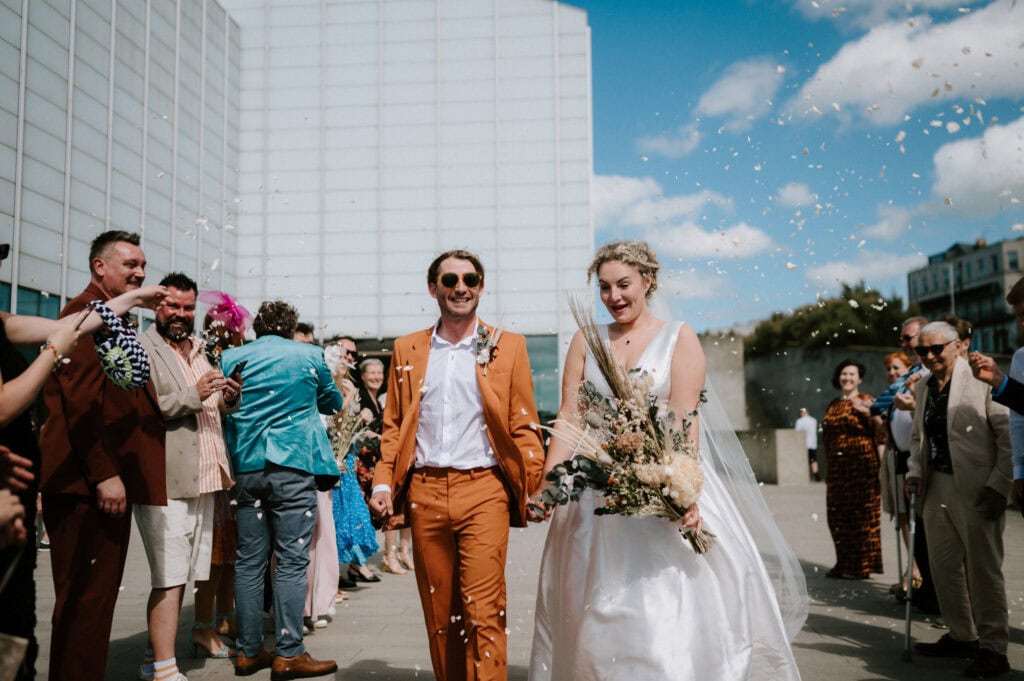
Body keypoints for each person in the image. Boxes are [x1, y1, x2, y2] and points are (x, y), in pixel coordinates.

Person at [528, 241, 804, 680]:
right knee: (597, 608)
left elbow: (683, 417)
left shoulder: (680, 336)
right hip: (597, 493)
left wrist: (681, 491)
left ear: (648, 281)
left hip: (662, 479)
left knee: (665, 603)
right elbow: (571, 417)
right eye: (604, 287)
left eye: (624, 285)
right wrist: (548, 484)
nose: (614, 297)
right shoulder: (586, 340)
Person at [369, 249, 545, 681]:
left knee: (484, 611)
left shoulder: (507, 346)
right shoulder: (407, 348)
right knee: (441, 614)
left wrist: (535, 485)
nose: (461, 288)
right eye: (450, 280)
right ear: (434, 289)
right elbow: (393, 428)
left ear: (481, 287)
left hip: (484, 490)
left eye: (470, 279)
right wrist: (382, 484)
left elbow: (525, 426)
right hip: (426, 493)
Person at [38, 230, 168, 681]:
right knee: (84, 603)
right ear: (100, 267)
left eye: (142, 266)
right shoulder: (84, 314)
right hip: (82, 483)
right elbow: (77, 402)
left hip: (96, 480)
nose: (140, 273)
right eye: (130, 265)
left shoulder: (108, 316)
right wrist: (104, 473)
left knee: (94, 600)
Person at [221, 300, 342, 679]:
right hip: (291, 464)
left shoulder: (231, 357)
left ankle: (248, 651)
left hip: (248, 466)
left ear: (259, 326)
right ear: (291, 327)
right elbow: (333, 402)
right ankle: (289, 651)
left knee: (249, 561)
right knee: (291, 559)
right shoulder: (309, 355)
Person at [135, 273, 241, 681]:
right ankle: (164, 670)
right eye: (172, 306)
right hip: (168, 478)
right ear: (156, 306)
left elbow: (210, 404)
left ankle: (152, 656)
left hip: (207, 477)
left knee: (187, 573)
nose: (180, 315)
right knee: (169, 576)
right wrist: (195, 393)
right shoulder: (144, 347)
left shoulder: (199, 348)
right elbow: (147, 409)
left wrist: (229, 397)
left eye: (187, 308)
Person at [906, 321, 1012, 678]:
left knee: (984, 571)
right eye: (923, 350)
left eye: (937, 348)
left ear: (958, 345)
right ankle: (963, 634)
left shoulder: (981, 377)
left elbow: (1008, 435)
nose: (930, 356)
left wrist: (1000, 484)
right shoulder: (922, 386)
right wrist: (914, 472)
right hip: (935, 485)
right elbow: (919, 438)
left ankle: (994, 647)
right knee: (944, 567)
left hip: (978, 487)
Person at [194, 292, 252, 647]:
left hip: (229, 463)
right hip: (220, 463)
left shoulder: (221, 360)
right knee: (216, 555)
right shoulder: (208, 361)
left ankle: (224, 618)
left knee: (228, 554)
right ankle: (205, 624)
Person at [821, 358, 882, 580]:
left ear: (860, 378)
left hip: (862, 468)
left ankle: (860, 566)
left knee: (861, 518)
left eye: (852, 374)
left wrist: (867, 412)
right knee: (837, 518)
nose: (847, 378)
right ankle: (843, 562)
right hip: (838, 470)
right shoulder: (833, 404)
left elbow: (880, 429)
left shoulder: (866, 400)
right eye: (844, 374)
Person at [357, 358, 413, 575]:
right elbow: (358, 432)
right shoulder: (361, 398)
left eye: (380, 373)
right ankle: (372, 559)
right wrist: (384, 439)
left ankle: (398, 553)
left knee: (393, 507)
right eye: (372, 373)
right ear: (362, 375)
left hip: (378, 458)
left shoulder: (378, 399)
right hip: (368, 462)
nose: (376, 377)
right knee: (374, 512)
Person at [878, 351, 923, 600]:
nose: (893, 373)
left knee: (914, 517)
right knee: (903, 516)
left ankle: (918, 571)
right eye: (889, 369)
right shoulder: (892, 396)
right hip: (897, 459)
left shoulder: (914, 388)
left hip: (911, 459)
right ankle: (913, 567)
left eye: (897, 368)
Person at [794, 407, 819, 481]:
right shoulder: (814, 420)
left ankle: (804, 476)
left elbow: (797, 432)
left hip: (804, 444)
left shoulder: (800, 421)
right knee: (813, 459)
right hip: (813, 444)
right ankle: (816, 474)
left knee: (804, 460)